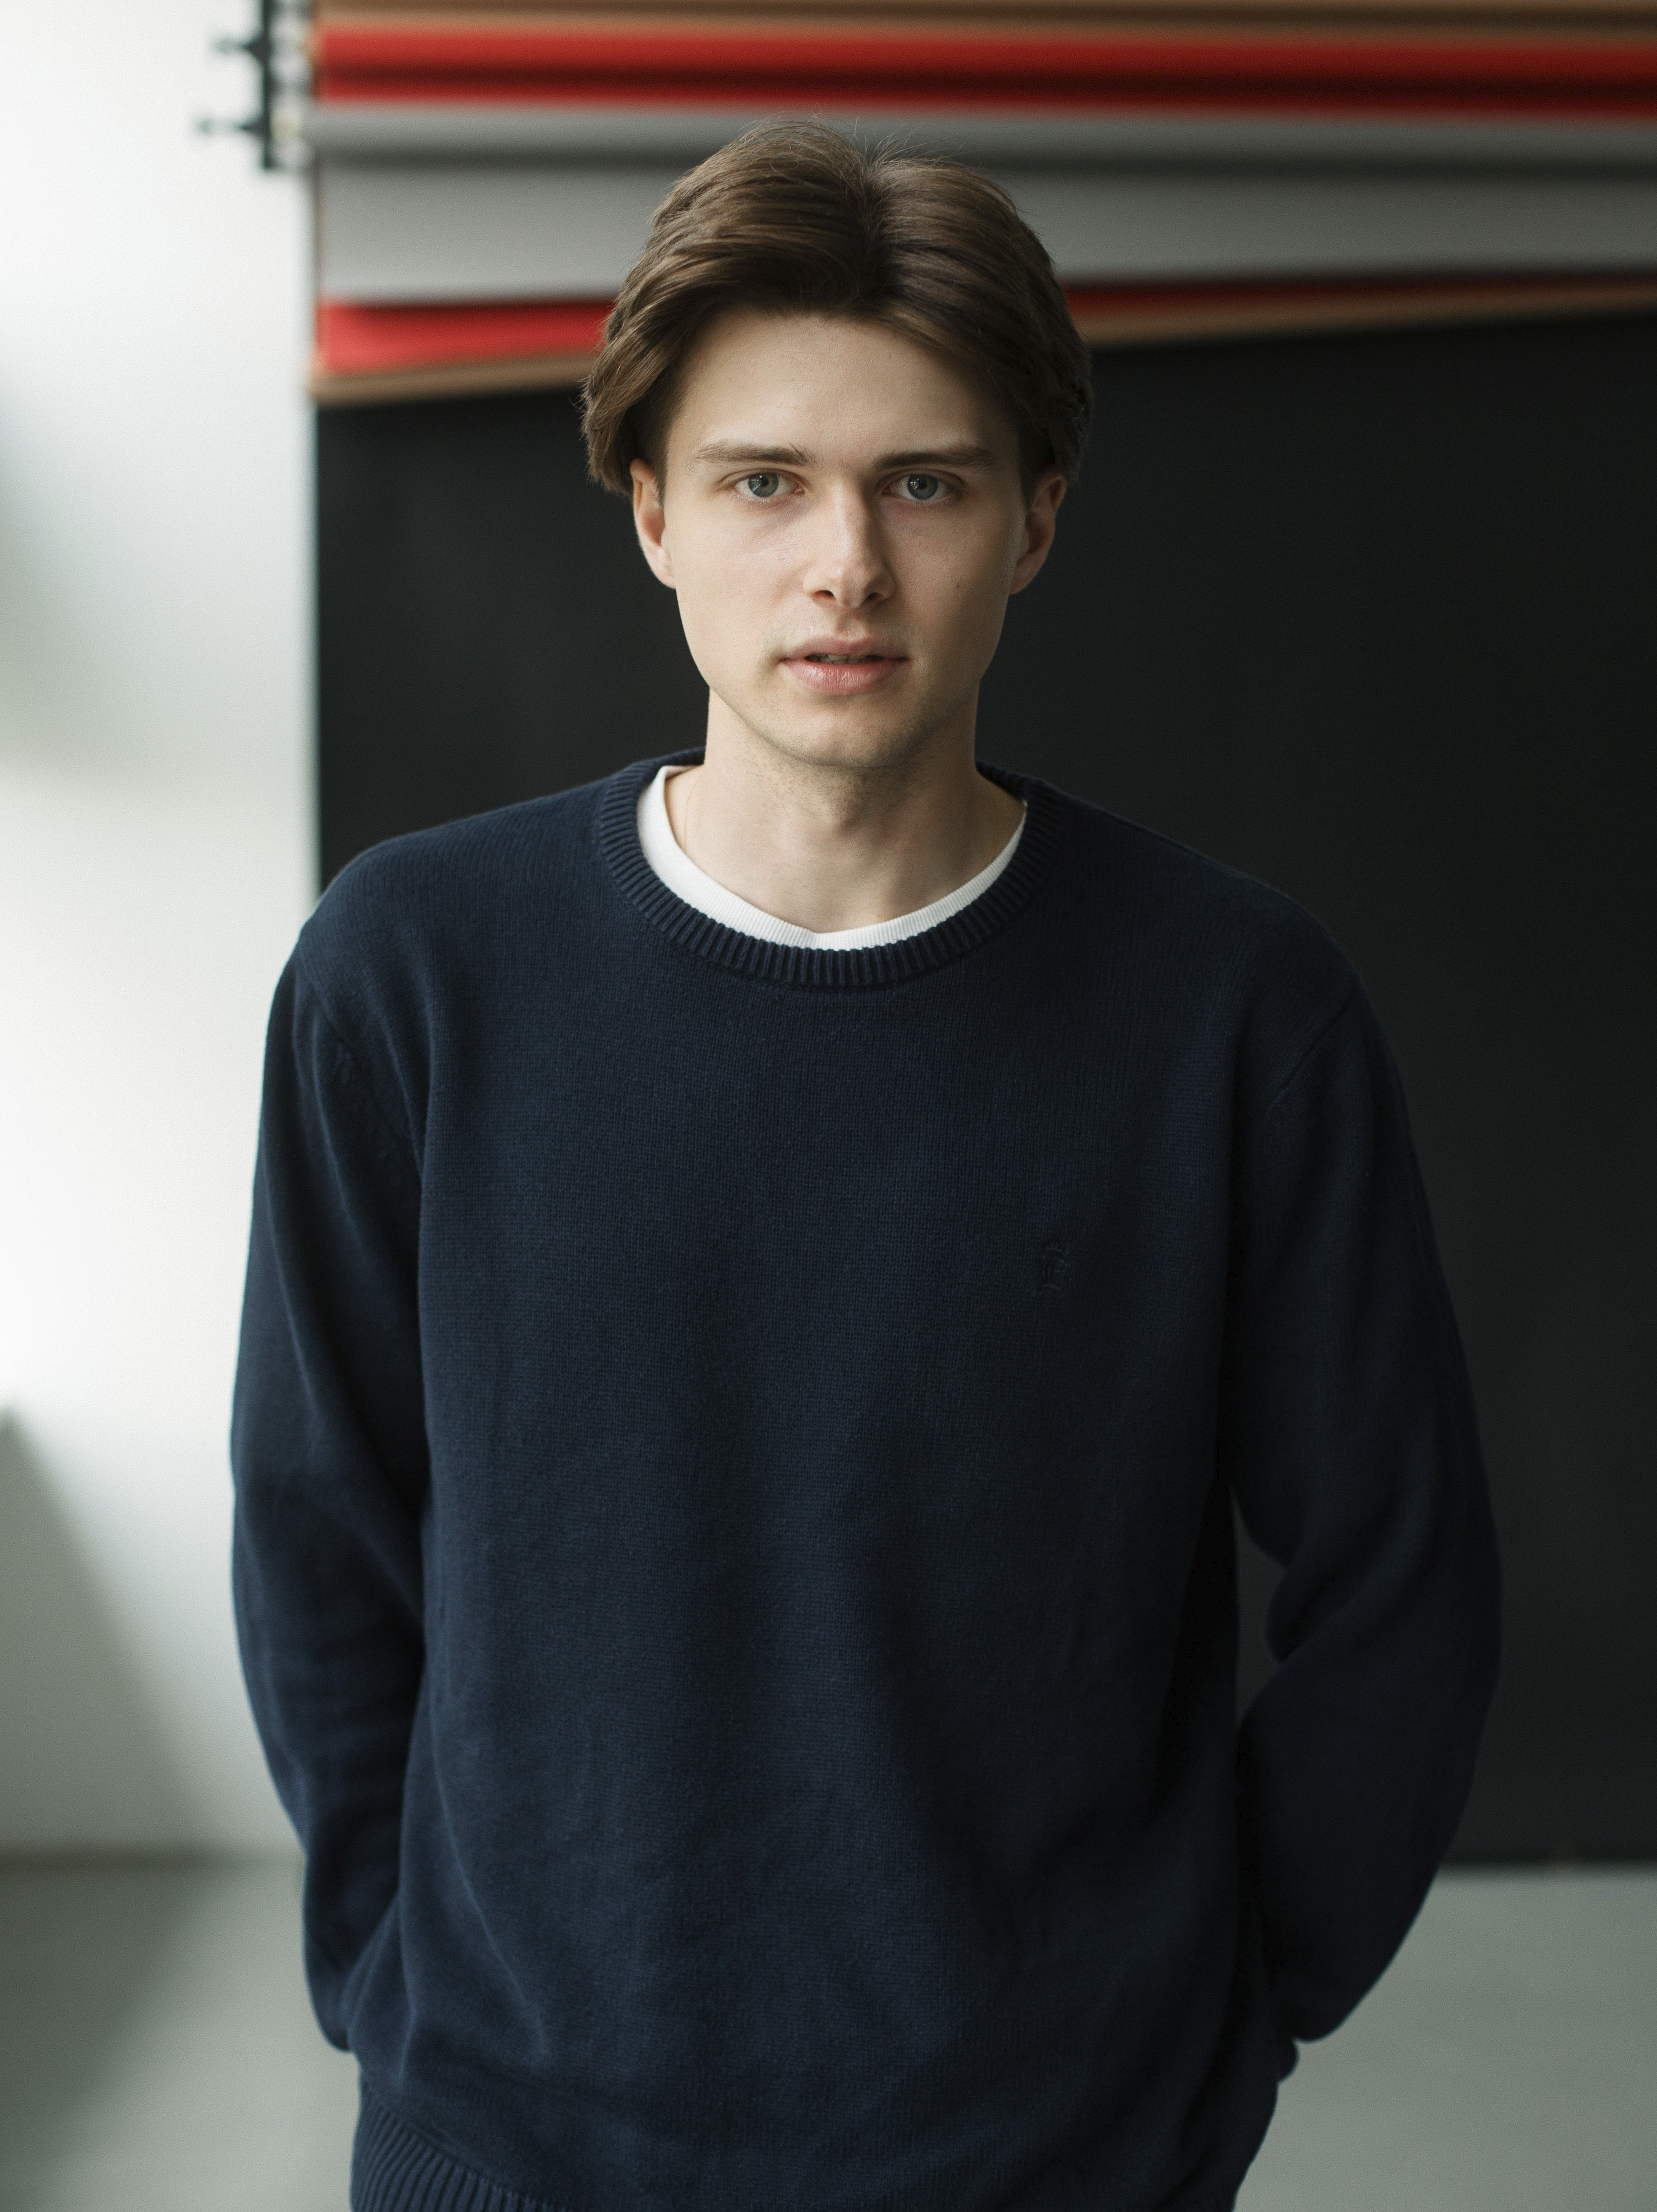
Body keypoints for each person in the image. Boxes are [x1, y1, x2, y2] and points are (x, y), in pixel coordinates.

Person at [232, 122, 1500, 2212]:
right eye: (765, 482)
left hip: (1062, 2149)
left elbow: (1406, 1573)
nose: (846, 565)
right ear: (652, 510)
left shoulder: (1232, 1009)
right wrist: (399, 1987)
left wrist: (1231, 2003)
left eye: (925, 483)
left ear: (1037, 517)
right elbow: (320, 1530)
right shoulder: (413, 973)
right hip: (513, 2136)